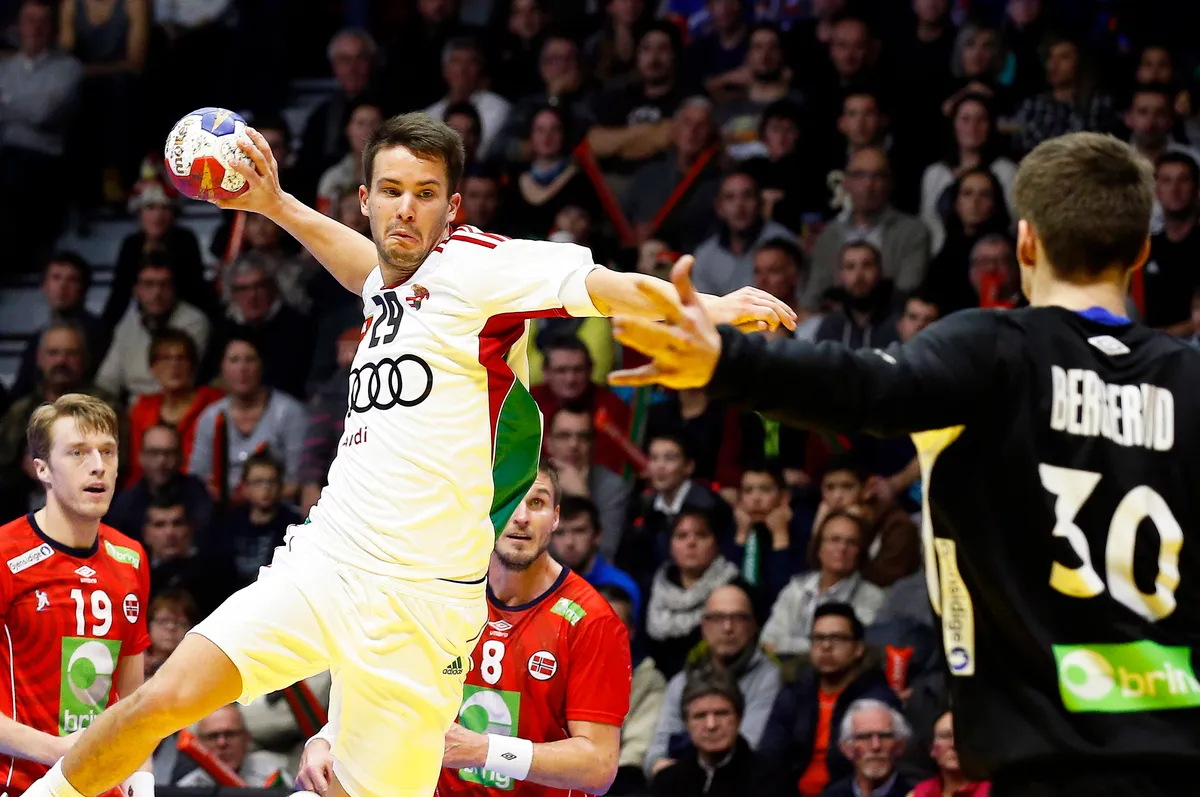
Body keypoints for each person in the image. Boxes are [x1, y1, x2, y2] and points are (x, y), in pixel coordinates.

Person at [24, 112, 793, 797]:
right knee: (166, 697)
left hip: (424, 605)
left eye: (425, 193)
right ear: (365, 199)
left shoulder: (480, 266)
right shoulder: (387, 285)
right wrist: (274, 203)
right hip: (327, 558)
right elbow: (364, 271)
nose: (406, 207)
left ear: (452, 208)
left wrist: (708, 307)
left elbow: (599, 285)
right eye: (390, 191)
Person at [607, 131, 1200, 795]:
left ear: (1026, 241)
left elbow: (863, 385)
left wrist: (727, 362)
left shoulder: (993, 348)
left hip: (1044, 757)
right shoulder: (1189, 378)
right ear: (1142, 250)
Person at [298, 462, 632, 797]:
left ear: (555, 517)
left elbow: (598, 767)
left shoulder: (592, 621)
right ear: (480, 508)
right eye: (508, 499)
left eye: (536, 503)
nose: (521, 517)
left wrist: (483, 750)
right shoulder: (437, 592)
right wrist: (326, 739)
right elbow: (384, 691)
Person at [0, 394, 153, 796]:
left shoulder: (130, 558)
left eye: (107, 451)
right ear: (43, 469)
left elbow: (134, 701)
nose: (98, 465)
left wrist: (142, 782)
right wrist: (60, 752)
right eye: (78, 452)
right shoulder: (4, 554)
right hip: (20, 785)